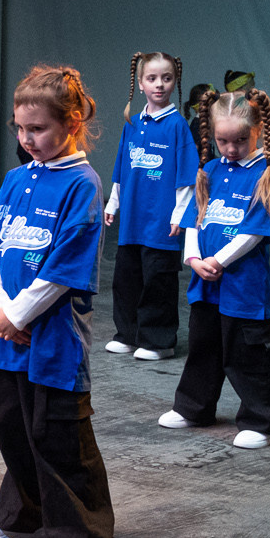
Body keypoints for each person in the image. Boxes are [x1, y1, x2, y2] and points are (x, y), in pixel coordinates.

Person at [0, 64, 116, 538]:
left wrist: (18, 315)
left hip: (53, 340)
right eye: (20, 129)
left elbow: (65, 267)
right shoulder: (14, 179)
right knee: (13, 425)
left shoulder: (83, 185)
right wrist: (0, 312)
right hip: (7, 331)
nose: (27, 140)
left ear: (72, 123)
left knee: (58, 438)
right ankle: (24, 517)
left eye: (39, 129)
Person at [160, 88, 270, 448]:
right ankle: (194, 407)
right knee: (204, 346)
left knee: (249, 354)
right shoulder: (210, 171)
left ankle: (265, 422)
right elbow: (194, 221)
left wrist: (219, 260)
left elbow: (255, 232)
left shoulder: (265, 172)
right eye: (222, 141)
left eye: (240, 141)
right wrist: (194, 259)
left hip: (244, 288)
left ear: (257, 132)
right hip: (206, 285)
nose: (230, 149)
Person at [105, 51, 197, 360]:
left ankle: (159, 341)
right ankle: (128, 334)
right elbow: (121, 169)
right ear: (140, 84)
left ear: (175, 82)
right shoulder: (132, 123)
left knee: (158, 281)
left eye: (166, 78)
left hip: (161, 223)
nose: (159, 85)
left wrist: (179, 214)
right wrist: (113, 203)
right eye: (152, 79)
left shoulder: (177, 127)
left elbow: (186, 177)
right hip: (132, 222)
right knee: (126, 279)